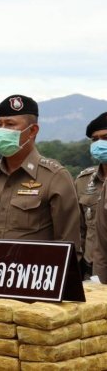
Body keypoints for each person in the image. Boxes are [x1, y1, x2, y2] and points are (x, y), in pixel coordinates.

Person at [0, 95, 81, 256]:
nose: (2, 131)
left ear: (32, 131)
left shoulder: (54, 177)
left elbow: (68, 244)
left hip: (35, 276)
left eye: (10, 125)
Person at [83, 113, 107, 281]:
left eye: (106, 137)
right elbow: (79, 231)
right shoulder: (83, 181)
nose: (100, 143)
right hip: (90, 272)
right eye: (95, 139)